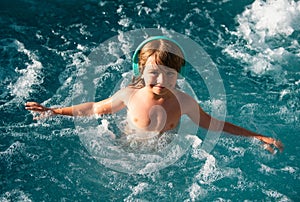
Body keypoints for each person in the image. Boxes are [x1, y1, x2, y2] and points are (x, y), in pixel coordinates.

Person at [25, 36, 283, 153]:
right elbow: (94, 108)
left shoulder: (184, 102)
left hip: (161, 156)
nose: (162, 80)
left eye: (170, 74)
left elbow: (213, 124)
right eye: (154, 73)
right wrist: (54, 111)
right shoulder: (130, 95)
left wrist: (257, 136)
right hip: (124, 149)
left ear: (178, 74)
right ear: (141, 71)